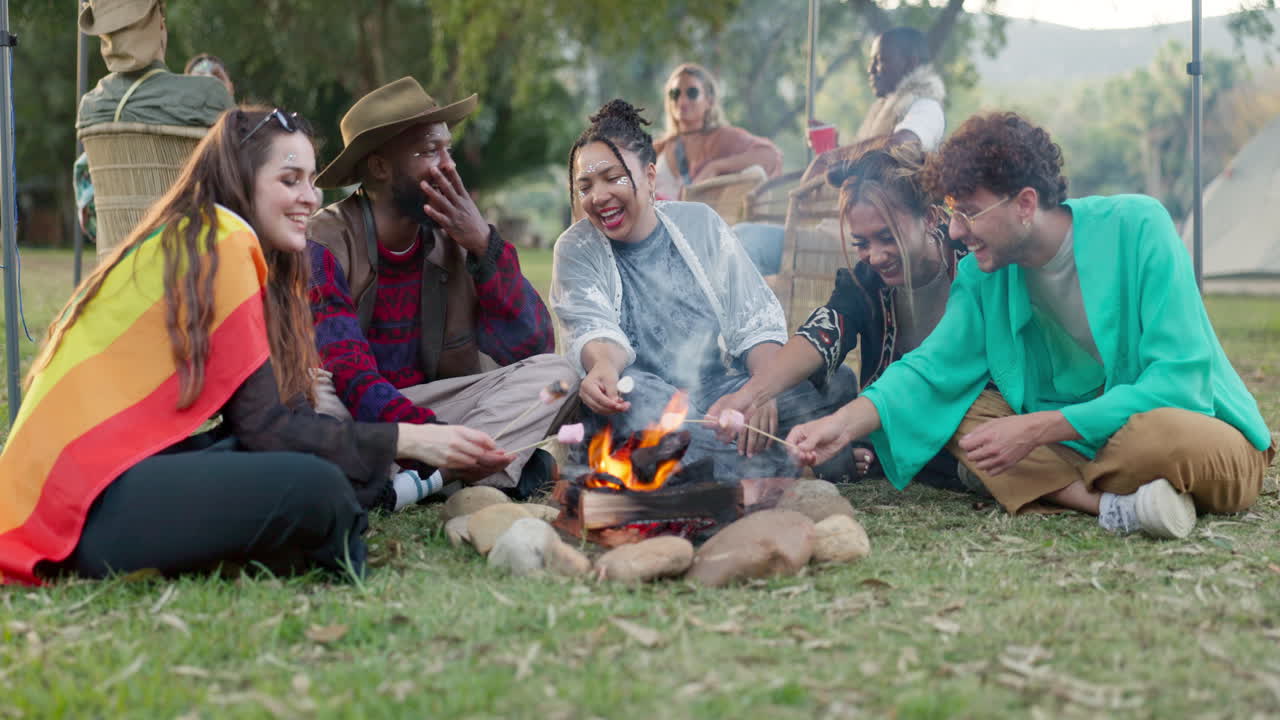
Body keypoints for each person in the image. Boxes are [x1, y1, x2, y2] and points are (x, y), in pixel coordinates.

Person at [0, 107, 512, 585]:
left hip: (98, 480)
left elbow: (267, 423)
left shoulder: (215, 240)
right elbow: (270, 430)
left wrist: (394, 444)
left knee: (307, 462)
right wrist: (412, 440)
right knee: (320, 489)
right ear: (242, 181)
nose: (310, 198)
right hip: (73, 508)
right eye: (289, 181)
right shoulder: (221, 239)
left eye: (311, 180)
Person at [788, 112, 1276, 539]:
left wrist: (1038, 430)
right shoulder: (982, 277)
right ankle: (1114, 506)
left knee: (1150, 436)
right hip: (1084, 439)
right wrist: (839, 424)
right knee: (958, 413)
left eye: (969, 212)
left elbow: (1179, 383)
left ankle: (1060, 484)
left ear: (1024, 203)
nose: (955, 231)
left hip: (1194, 428)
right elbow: (929, 371)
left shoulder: (1138, 225)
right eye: (953, 213)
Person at [552, 100, 853, 481]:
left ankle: (716, 463)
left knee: (836, 380)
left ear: (649, 176)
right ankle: (774, 466)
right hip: (640, 399)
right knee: (635, 399)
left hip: (719, 396)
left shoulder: (700, 223)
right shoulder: (576, 247)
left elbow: (753, 318)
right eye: (585, 186)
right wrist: (604, 367)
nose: (598, 196)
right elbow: (592, 328)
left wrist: (761, 390)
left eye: (613, 178)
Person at [307, 77, 576, 498]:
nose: (449, 165)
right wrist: (431, 439)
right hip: (352, 407)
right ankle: (456, 473)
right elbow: (348, 373)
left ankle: (417, 482)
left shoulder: (456, 239)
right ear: (379, 167)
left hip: (428, 410)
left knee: (558, 375)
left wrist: (485, 247)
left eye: (447, 149)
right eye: (429, 151)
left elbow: (532, 346)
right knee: (317, 405)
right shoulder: (323, 243)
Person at [709, 139, 966, 486]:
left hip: (966, 414)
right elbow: (823, 332)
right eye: (861, 243)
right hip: (894, 422)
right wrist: (750, 396)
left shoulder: (972, 260)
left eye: (888, 237)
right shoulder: (866, 281)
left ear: (930, 217)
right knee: (827, 383)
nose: (876, 256)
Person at [737, 26, 947, 277]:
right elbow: (869, 163)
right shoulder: (886, 110)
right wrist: (831, 151)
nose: (871, 70)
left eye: (880, 61)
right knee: (739, 240)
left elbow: (904, 143)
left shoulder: (926, 106)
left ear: (910, 62)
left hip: (863, 242)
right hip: (842, 229)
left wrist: (832, 157)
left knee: (744, 241)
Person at [73, 0, 236, 246]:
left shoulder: (92, 105)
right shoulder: (209, 94)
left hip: (117, 259)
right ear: (160, 25)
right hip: (191, 258)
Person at [651, 63, 783, 201]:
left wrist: (716, 167)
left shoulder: (723, 137)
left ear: (709, 101)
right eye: (675, 94)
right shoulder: (659, 148)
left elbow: (771, 155)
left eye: (692, 93)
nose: (681, 101)